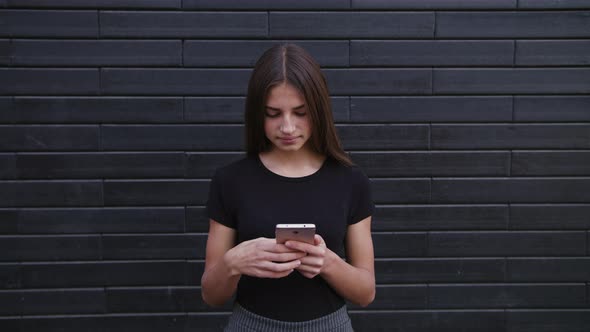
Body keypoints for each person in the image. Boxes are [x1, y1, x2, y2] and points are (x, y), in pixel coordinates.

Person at [201, 43, 375, 331]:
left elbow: (366, 292)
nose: (288, 127)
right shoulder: (230, 181)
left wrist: (327, 263)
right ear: (258, 113)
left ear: (318, 110)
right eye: (273, 113)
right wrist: (234, 262)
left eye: (300, 112)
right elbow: (211, 295)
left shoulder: (350, 181)